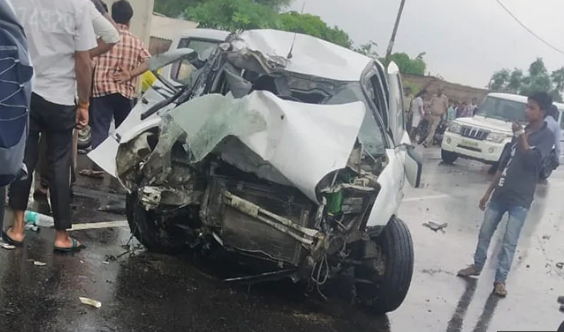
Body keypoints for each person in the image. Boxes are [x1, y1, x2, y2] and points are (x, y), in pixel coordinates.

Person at [5, 0, 97, 252]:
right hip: (60, 98)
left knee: (24, 159)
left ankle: (17, 229)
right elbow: (84, 60)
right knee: (59, 164)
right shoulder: (78, 6)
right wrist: (85, 103)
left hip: (26, 93)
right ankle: (61, 235)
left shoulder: (18, 3)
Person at [457, 92, 555, 297]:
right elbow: (504, 163)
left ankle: (500, 280)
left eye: (532, 107)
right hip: (501, 194)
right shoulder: (522, 131)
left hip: (521, 199)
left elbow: (533, 160)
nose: (527, 111)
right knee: (485, 232)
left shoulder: (547, 136)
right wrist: (488, 192)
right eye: (527, 107)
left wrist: (521, 136)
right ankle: (476, 265)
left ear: (542, 112)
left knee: (509, 241)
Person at [35, 0, 120, 197]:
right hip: (66, 90)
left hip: (35, 83)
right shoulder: (84, 6)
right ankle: (61, 187)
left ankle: (36, 188)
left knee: (33, 142)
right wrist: (82, 54)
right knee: (63, 145)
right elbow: (112, 35)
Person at [81, 0, 151, 178]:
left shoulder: (104, 38)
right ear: (129, 20)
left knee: (101, 128)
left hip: (101, 90)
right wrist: (131, 74)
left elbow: (91, 62)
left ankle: (98, 168)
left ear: (112, 16)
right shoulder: (136, 42)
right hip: (125, 92)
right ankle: (122, 170)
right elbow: (150, 61)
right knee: (124, 132)